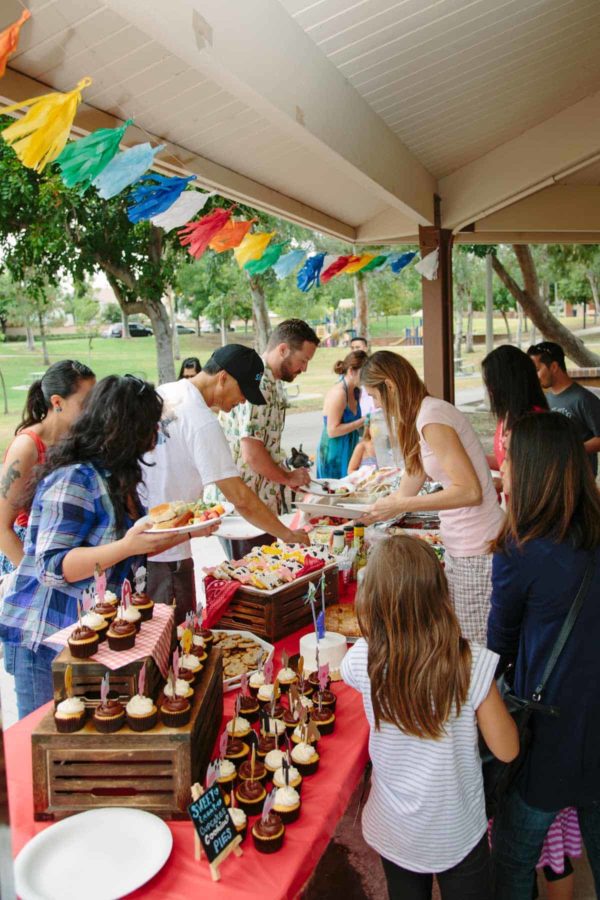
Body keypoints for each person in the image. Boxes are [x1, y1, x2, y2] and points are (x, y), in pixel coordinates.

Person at [0, 375, 192, 719]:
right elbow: (53, 566)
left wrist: (177, 533)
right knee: (48, 751)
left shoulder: (116, 475)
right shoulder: (74, 478)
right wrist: (127, 546)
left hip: (87, 636)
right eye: (151, 426)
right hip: (46, 641)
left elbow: (125, 548)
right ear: (127, 428)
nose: (156, 435)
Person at [342, 534, 518, 900]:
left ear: (371, 599)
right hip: (457, 827)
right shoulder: (472, 664)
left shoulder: (362, 658)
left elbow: (344, 669)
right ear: (440, 594)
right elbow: (507, 750)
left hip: (395, 828)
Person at [488, 413, 600, 899]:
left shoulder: (521, 549)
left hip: (548, 733)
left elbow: (499, 646)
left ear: (533, 468)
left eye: (509, 456)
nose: (502, 465)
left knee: (512, 863)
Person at [142, 344, 310, 623]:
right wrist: (288, 535)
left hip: (142, 541)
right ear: (223, 378)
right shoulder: (201, 420)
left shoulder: (168, 391)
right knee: (174, 638)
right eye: (243, 392)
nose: (243, 402)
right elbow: (240, 498)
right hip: (166, 553)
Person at [360, 351, 504, 643]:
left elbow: (470, 491)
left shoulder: (431, 416)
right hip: (462, 543)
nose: (375, 405)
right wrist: (378, 512)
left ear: (389, 386)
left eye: (375, 396)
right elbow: (412, 477)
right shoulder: (420, 416)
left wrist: (402, 505)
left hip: (477, 546)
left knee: (474, 647)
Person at [211, 320, 319, 516]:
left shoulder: (273, 381)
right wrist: (287, 478)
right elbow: (251, 453)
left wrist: (286, 475)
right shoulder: (258, 382)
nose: (304, 369)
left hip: (259, 501)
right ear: (283, 349)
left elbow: (266, 444)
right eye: (303, 360)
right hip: (242, 507)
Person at [0, 360, 96, 574]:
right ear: (57, 402)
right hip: (31, 558)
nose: (93, 411)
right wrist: (35, 578)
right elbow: (2, 528)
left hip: (70, 559)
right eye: (85, 403)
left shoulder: (80, 440)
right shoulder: (27, 447)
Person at [528, 341, 600, 476]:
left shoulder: (583, 399)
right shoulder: (545, 399)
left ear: (554, 366)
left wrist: (571, 449)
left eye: (537, 370)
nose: (534, 376)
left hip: (580, 480)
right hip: (554, 478)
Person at [481, 345, 548, 485]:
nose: (489, 389)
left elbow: (535, 475)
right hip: (514, 505)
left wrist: (500, 483)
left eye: (491, 382)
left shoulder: (535, 421)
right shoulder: (505, 416)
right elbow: (503, 461)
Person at [317, 350, 368, 479]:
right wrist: (362, 421)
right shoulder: (339, 393)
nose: (367, 378)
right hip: (334, 452)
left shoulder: (356, 390)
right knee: (336, 493)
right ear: (351, 371)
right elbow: (332, 431)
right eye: (364, 374)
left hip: (349, 447)